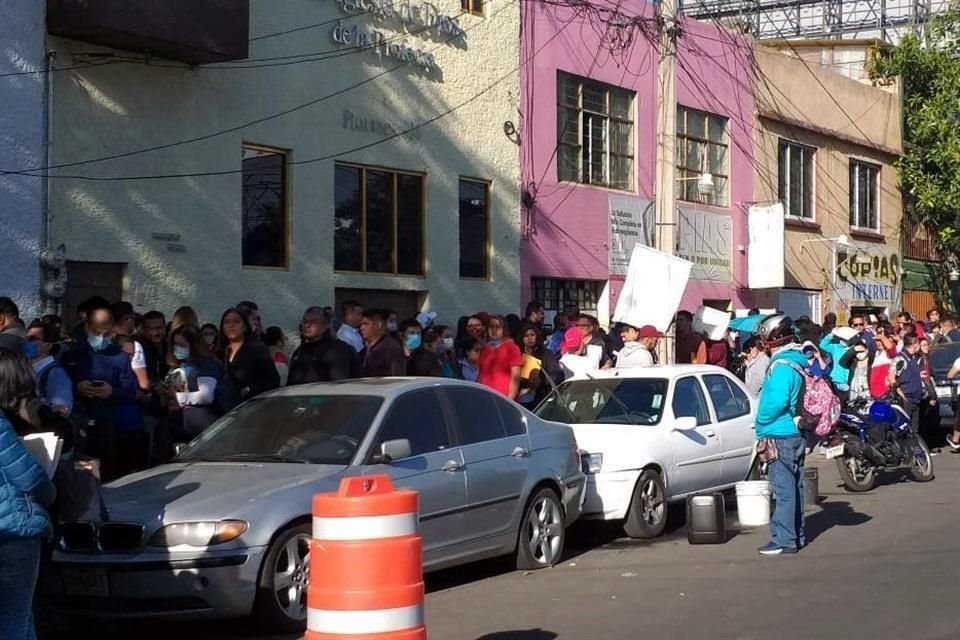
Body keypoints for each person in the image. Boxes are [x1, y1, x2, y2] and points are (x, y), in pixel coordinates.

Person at [0, 350, 57, 640]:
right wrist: (50, 494)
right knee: (14, 619)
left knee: (21, 618)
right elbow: (29, 477)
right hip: (13, 531)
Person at [60, 300, 144, 481]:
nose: (101, 337)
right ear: (87, 326)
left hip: (108, 427)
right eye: (96, 332)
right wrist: (77, 387)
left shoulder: (119, 357)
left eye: (106, 333)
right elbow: (59, 385)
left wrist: (111, 392)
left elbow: (131, 391)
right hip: (79, 423)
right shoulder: (72, 354)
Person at [754, 314, 807, 555]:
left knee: (784, 491)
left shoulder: (781, 366)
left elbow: (777, 401)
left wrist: (761, 419)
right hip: (793, 432)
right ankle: (797, 535)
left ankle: (784, 540)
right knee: (796, 488)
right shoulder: (796, 361)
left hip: (778, 434)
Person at [163, 324, 222, 441]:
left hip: (201, 426)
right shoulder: (178, 366)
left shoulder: (206, 364)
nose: (177, 348)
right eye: (175, 344)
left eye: (182, 345)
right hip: (179, 424)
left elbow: (206, 396)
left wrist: (177, 397)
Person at [217, 307, 280, 413]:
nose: (231, 325)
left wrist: (249, 390)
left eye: (236, 322)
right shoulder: (223, 350)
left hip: (254, 408)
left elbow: (273, 380)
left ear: (245, 327)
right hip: (229, 410)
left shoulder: (256, 348)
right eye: (227, 322)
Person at [287, 307, 360, 385]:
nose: (307, 325)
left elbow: (340, 384)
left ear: (326, 325)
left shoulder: (338, 349)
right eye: (305, 321)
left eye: (313, 322)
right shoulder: (299, 352)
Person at [516, 322, 562, 409]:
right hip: (519, 400)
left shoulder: (546, 354)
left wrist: (541, 382)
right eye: (526, 335)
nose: (530, 338)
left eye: (532, 335)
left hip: (540, 399)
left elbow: (557, 374)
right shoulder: (517, 354)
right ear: (522, 338)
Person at [477, 315, 522, 399]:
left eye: (498, 327)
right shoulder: (485, 348)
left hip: (503, 396)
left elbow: (515, 377)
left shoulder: (511, 347)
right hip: (486, 395)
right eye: (491, 326)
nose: (494, 330)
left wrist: (510, 399)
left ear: (504, 329)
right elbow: (481, 374)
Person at [887, 335, 924, 433]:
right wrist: (901, 395)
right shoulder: (901, 359)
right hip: (907, 399)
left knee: (914, 429)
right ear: (915, 344)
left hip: (915, 399)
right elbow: (891, 377)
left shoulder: (912, 358)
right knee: (904, 429)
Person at [360, 309, 407, 377]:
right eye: (361, 324)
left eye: (366, 324)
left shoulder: (392, 349)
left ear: (379, 325)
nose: (362, 328)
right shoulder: (365, 350)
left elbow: (398, 379)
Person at [838, 339, 872, 406]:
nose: (859, 354)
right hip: (854, 391)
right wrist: (853, 350)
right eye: (857, 352)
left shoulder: (872, 361)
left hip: (867, 390)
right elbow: (842, 362)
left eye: (861, 351)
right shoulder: (853, 362)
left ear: (867, 350)